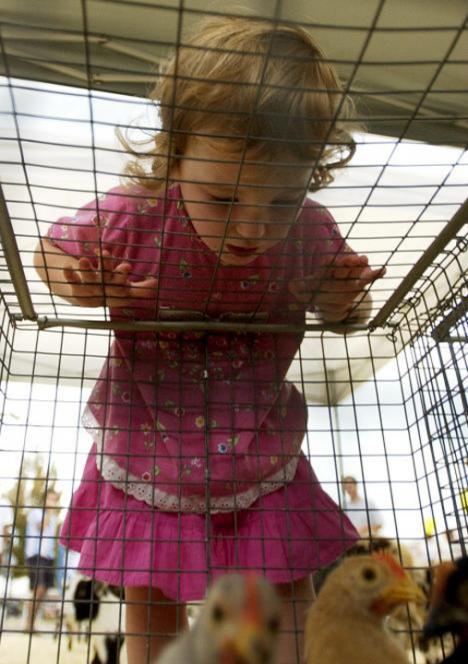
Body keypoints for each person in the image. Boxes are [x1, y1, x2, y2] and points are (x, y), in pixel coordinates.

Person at [33, 15, 386, 664]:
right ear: (175, 150)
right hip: (149, 446)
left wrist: (344, 303)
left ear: (312, 173)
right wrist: (76, 281)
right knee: (151, 601)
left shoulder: (311, 233)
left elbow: (350, 310)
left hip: (261, 451)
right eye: (223, 199)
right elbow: (52, 248)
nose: (252, 225)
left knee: (286, 593)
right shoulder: (137, 212)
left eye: (281, 201)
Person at [24, 489, 59, 632]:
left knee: (42, 591)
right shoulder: (36, 513)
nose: (52, 502)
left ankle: (31, 623)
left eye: (54, 499)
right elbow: (42, 527)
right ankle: (28, 624)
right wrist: (49, 512)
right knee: (39, 589)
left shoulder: (54, 518)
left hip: (48, 557)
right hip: (35, 556)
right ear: (44, 500)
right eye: (50, 499)